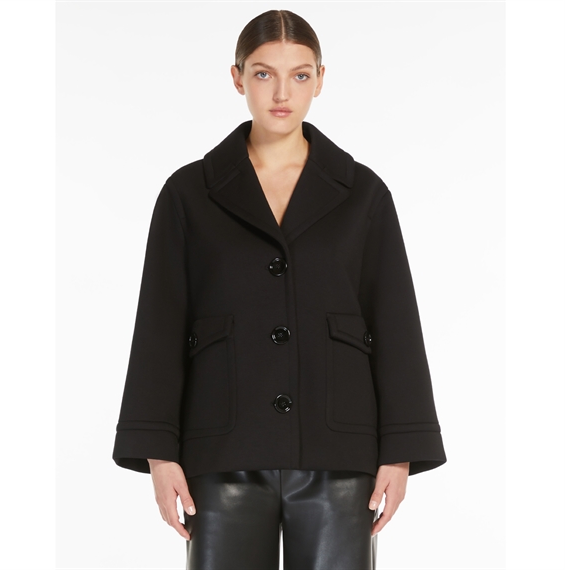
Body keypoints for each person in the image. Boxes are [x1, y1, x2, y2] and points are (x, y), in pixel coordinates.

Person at [112, 9, 446, 570]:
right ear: (237, 77)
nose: (282, 93)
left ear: (321, 79)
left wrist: (401, 452)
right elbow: (160, 323)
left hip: (339, 451)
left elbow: (394, 321)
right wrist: (158, 454)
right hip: (222, 449)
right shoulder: (189, 193)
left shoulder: (362, 193)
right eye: (264, 74)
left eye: (300, 75)